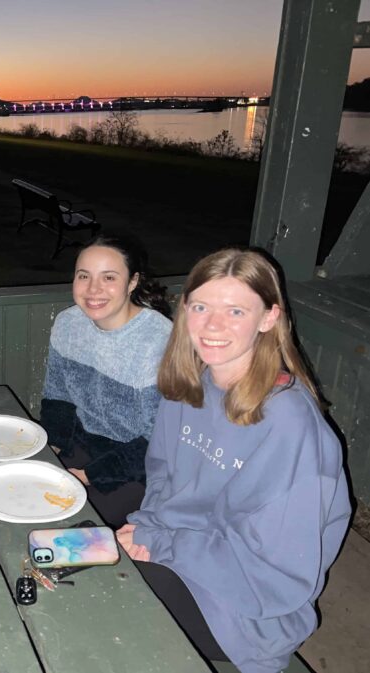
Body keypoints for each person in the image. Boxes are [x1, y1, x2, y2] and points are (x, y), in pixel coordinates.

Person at [119, 248, 351, 673]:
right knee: (82, 543)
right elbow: (163, 477)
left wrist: (162, 544)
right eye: (201, 306)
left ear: (268, 318)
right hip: (186, 546)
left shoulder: (288, 423)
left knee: (117, 594)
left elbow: (275, 572)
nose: (212, 326)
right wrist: (150, 529)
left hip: (246, 607)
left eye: (236, 311)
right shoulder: (192, 383)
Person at [40, 235, 172, 528]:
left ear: (133, 281)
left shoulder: (158, 340)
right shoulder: (68, 324)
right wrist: (49, 453)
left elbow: (160, 442)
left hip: (140, 471)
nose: (93, 289)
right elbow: (58, 398)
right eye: (83, 276)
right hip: (84, 445)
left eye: (109, 277)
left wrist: (87, 476)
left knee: (63, 524)